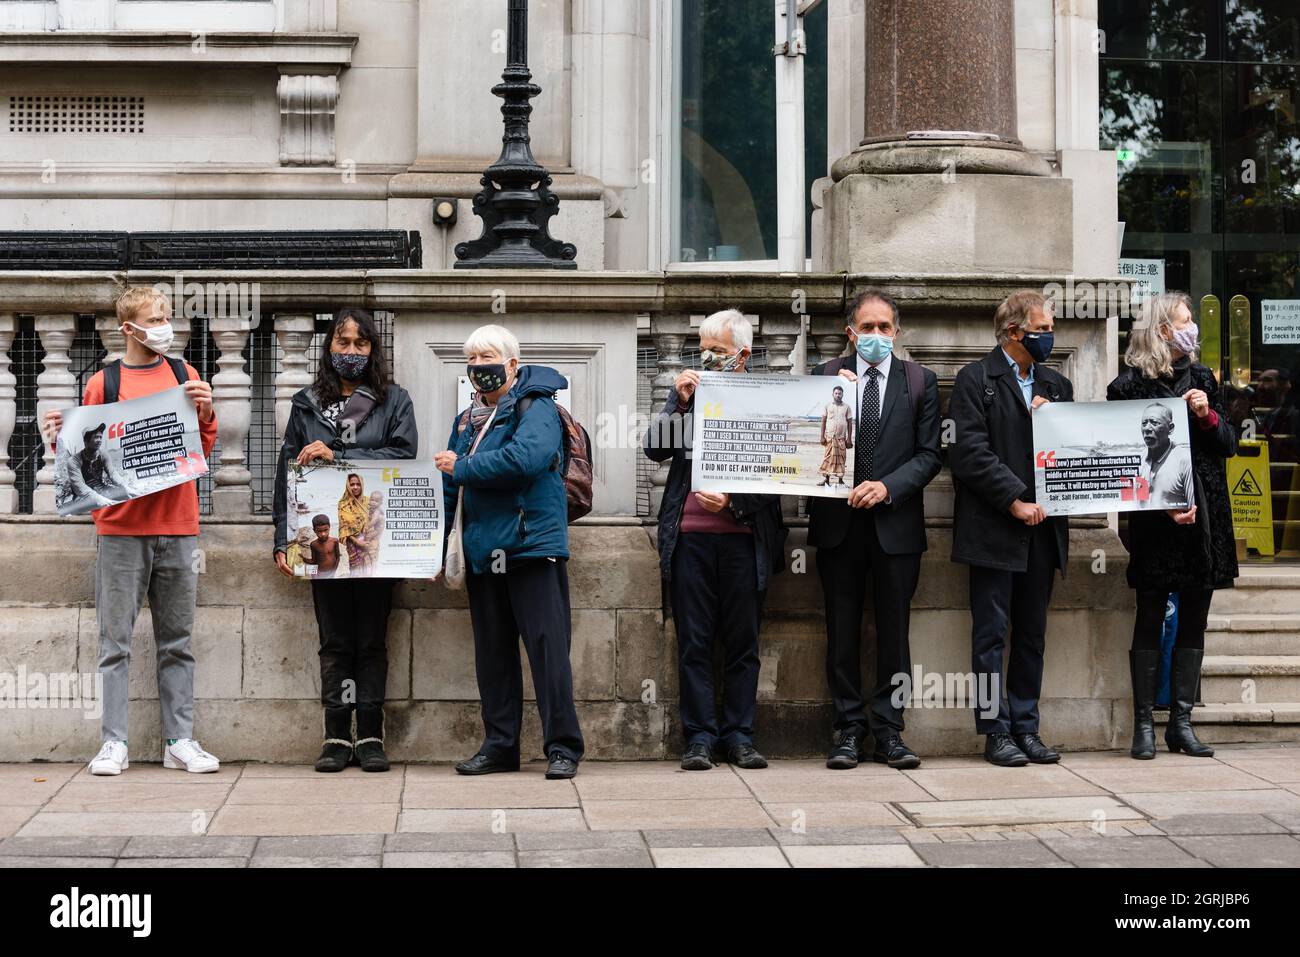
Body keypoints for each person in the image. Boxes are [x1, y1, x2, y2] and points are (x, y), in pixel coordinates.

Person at [42, 286, 219, 776]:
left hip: (178, 526)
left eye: (166, 315)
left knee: (177, 640)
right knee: (114, 642)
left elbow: (204, 448)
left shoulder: (186, 375)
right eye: (155, 317)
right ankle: (113, 742)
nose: (165, 325)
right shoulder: (105, 382)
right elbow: (84, 455)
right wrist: (60, 436)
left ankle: (179, 740)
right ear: (129, 328)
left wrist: (205, 413)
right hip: (120, 530)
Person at [436, 324, 584, 780]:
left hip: (531, 546)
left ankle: (563, 748)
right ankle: (500, 745)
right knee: (493, 655)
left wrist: (462, 466)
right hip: (483, 550)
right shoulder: (465, 420)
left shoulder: (536, 405)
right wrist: (432, 549)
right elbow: (448, 490)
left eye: (488, 356)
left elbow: (528, 459)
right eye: (473, 358)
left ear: (513, 364)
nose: (480, 365)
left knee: (548, 651)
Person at [273, 307, 417, 773]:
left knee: (372, 639)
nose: (350, 351)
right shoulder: (305, 403)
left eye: (360, 344)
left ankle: (371, 735)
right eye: (342, 343)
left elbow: (403, 453)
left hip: (378, 544)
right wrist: (282, 537)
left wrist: (341, 453)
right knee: (334, 639)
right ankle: (336, 735)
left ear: (372, 349)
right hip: (324, 545)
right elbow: (287, 473)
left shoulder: (394, 400)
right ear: (329, 347)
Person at [643, 308, 788, 771]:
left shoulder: (769, 399)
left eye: (718, 351)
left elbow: (781, 470)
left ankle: (740, 736)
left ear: (742, 355)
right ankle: (700, 738)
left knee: (743, 644)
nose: (708, 358)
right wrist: (679, 404)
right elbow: (655, 448)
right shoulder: (689, 395)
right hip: (690, 539)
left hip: (744, 540)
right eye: (703, 349)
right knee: (695, 642)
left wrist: (733, 503)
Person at [809, 289, 941, 770]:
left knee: (895, 632)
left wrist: (887, 487)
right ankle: (847, 729)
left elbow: (930, 456)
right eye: (868, 328)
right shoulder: (824, 377)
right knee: (840, 630)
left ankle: (889, 731)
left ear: (897, 332)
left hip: (895, 526)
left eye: (885, 328)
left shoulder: (920, 381)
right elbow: (802, 438)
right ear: (851, 332)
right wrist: (824, 398)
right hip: (838, 526)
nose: (877, 336)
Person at [1107, 291, 1238, 760]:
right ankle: (1144, 724)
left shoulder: (1203, 377)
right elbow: (1122, 463)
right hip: (1154, 523)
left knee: (1195, 618)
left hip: (1205, 517)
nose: (1192, 328)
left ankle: (1181, 723)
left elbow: (1228, 445)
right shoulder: (1127, 388)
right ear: (1163, 330)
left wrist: (1208, 415)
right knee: (1150, 614)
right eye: (1185, 321)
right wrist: (1159, 503)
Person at [950, 290, 1072, 767]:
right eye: (1043, 328)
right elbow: (967, 453)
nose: (1050, 335)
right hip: (994, 529)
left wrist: (1051, 421)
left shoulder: (1056, 385)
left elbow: (1075, 452)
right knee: (990, 635)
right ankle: (994, 730)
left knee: (1032, 635)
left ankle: (1026, 726)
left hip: (1043, 531)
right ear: (1015, 332)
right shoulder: (974, 379)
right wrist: (1014, 499)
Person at [1137, 402, 1194, 509]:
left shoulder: (1184, 460)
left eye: (1154, 422)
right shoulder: (1138, 460)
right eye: (1144, 423)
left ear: (1170, 428)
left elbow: (1193, 510)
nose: (1147, 428)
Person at [63, 422, 133, 509]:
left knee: (127, 496)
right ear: (86, 441)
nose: (99, 440)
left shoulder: (103, 454)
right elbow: (79, 487)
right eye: (96, 437)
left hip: (102, 489)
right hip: (83, 496)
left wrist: (124, 486)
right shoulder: (74, 461)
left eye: (100, 437)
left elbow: (112, 474)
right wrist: (100, 500)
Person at [818, 385, 853, 487]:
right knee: (828, 457)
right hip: (830, 436)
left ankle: (841, 481)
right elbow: (823, 421)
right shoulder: (827, 406)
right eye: (836, 393)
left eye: (840, 393)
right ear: (833, 394)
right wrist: (822, 436)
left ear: (842, 394)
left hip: (841, 438)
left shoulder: (846, 407)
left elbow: (850, 423)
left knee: (842, 458)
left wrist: (849, 438)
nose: (838, 395)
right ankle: (827, 480)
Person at [337, 472, 369, 574]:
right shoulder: (343, 504)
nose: (355, 487)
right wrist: (358, 542)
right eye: (352, 484)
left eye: (358, 484)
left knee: (370, 569)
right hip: (353, 544)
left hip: (369, 541)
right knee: (356, 571)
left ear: (362, 485)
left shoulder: (368, 501)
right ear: (348, 485)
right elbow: (343, 527)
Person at [302, 515, 342, 579]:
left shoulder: (334, 541)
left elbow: (338, 557)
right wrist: (303, 559)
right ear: (314, 530)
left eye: (325, 530)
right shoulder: (313, 544)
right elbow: (313, 561)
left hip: (331, 572)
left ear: (329, 527)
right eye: (319, 531)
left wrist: (334, 571)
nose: (323, 534)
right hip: (319, 573)